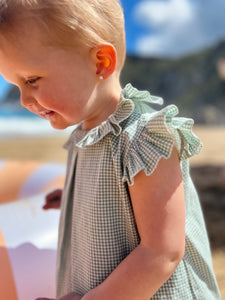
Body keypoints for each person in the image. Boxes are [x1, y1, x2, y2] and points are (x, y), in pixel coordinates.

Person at [0, 0, 221, 299]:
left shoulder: (143, 136)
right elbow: (118, 196)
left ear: (101, 62)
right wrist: (73, 199)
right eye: (16, 84)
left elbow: (162, 252)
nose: (24, 99)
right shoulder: (85, 134)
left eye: (32, 80)